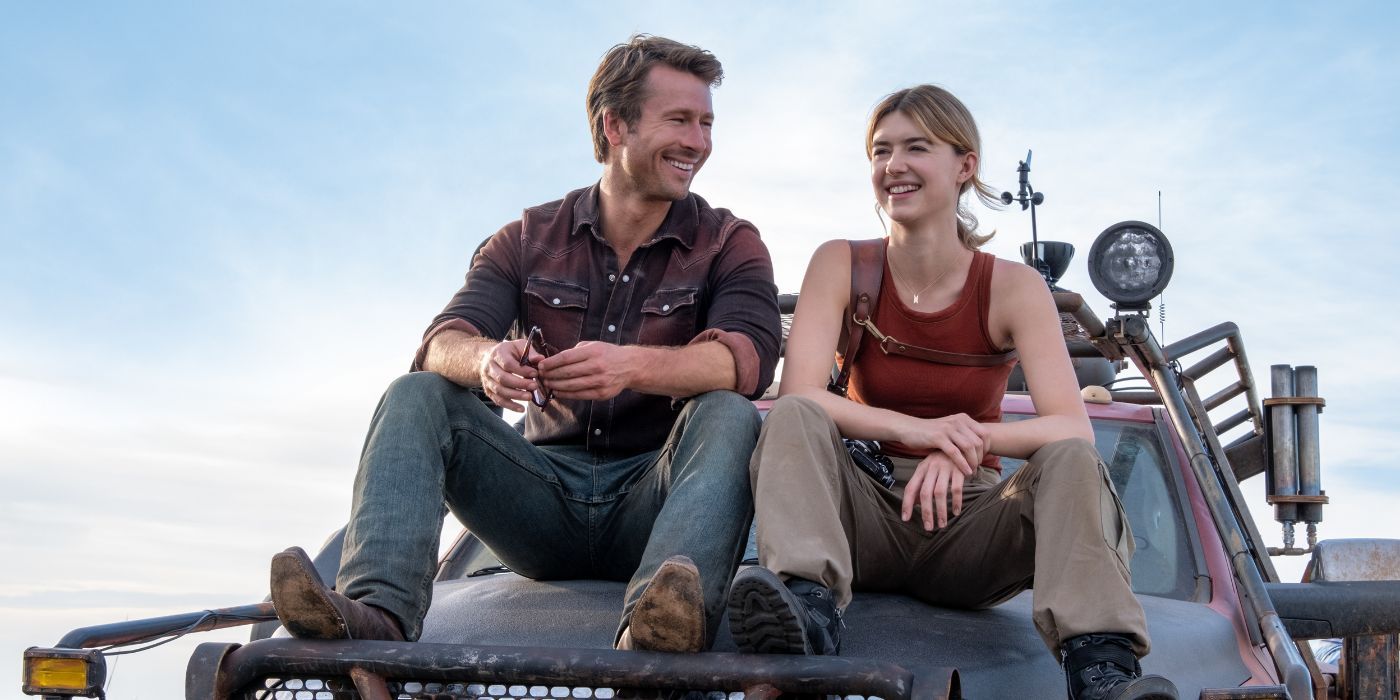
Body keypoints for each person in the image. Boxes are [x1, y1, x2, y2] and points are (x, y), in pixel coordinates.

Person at [268, 34, 781, 655]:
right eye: (679, 120)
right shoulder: (526, 238)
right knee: (416, 393)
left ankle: (662, 622)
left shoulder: (730, 241)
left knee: (728, 409)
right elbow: (440, 343)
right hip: (539, 501)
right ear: (613, 124)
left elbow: (748, 360)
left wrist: (630, 367)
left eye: (705, 123)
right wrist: (485, 361)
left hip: (658, 496)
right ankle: (376, 612)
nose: (698, 142)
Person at [727, 85, 1178, 700]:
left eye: (918, 147)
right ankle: (807, 608)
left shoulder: (1014, 288)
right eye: (881, 151)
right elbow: (801, 395)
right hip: (862, 513)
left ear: (964, 166)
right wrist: (917, 431)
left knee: (1071, 458)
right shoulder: (840, 264)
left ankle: (1100, 666)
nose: (895, 166)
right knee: (798, 413)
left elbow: (1072, 426)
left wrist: (961, 443)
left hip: (970, 529)